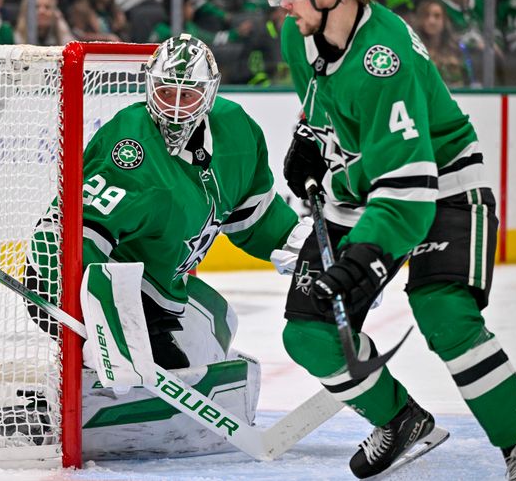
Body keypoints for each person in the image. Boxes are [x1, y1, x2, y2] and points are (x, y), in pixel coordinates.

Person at [266, 0, 516, 479]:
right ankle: (402, 420)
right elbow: (323, 101)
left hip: (444, 182)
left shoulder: (383, 56)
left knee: (445, 313)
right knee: (309, 332)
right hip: (365, 183)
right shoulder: (298, 34)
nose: (283, 1)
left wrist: (368, 253)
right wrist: (309, 141)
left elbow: (408, 181)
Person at [23, 34, 309, 370]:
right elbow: (76, 235)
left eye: (186, 94)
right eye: (164, 92)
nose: (173, 107)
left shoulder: (237, 129)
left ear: (208, 94)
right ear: (149, 86)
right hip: (95, 282)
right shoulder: (130, 146)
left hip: (161, 287)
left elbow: (254, 216)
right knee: (163, 370)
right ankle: (81, 388)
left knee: (219, 327)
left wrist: (299, 244)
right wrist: (103, 322)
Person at [414, 0, 473, 87]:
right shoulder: (414, 50)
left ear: (444, 20)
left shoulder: (457, 49)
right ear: (420, 20)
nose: (432, 21)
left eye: (437, 16)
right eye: (426, 16)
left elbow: (468, 81)